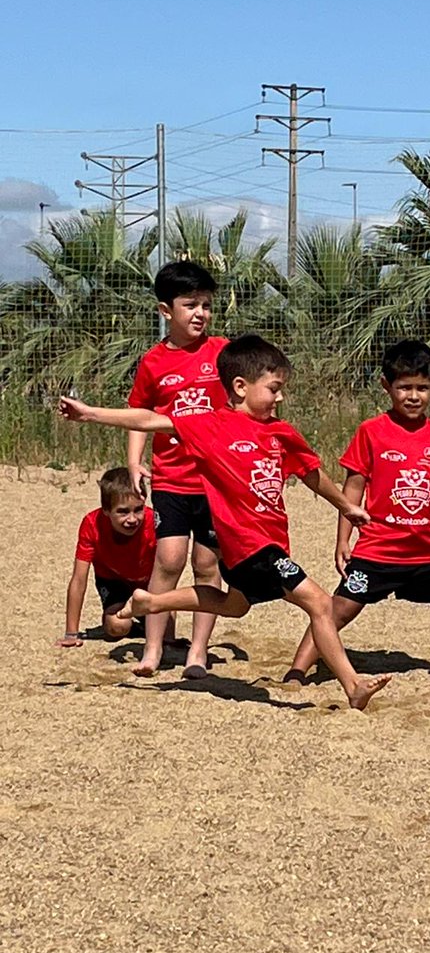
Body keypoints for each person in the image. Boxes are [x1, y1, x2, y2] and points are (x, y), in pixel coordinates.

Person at [59, 335, 391, 711]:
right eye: (273, 389)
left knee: (234, 606)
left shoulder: (281, 432)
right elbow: (151, 418)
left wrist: (345, 506)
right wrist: (90, 414)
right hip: (251, 546)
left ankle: (153, 602)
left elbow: (312, 474)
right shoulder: (210, 426)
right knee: (319, 603)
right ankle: (353, 685)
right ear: (239, 387)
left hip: (266, 545)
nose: (280, 398)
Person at [284, 338, 430, 684]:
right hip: (377, 548)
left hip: (427, 552)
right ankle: (298, 670)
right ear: (387, 386)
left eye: (422, 387)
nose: (414, 396)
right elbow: (352, 490)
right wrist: (343, 539)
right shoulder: (370, 432)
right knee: (338, 609)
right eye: (405, 387)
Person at [127, 259, 230, 679]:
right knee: (169, 559)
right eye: (190, 304)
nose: (200, 313)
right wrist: (135, 461)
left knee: (208, 564)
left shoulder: (223, 352)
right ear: (165, 310)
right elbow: (139, 412)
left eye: (206, 304)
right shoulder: (153, 361)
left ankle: (198, 652)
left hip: (215, 480)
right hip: (171, 478)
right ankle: (153, 650)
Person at [56, 467, 157, 648]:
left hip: (148, 581)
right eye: (123, 511)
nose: (132, 519)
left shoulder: (153, 521)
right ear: (106, 510)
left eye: (138, 509)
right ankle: (131, 622)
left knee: (163, 628)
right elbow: (79, 579)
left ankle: (145, 621)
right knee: (116, 627)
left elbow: (169, 567)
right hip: (112, 579)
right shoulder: (92, 524)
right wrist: (71, 633)